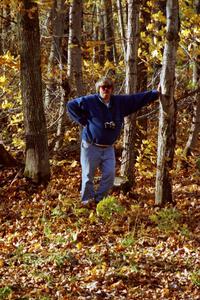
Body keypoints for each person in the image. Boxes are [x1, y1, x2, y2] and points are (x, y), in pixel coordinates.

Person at [67, 76, 159, 205]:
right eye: (103, 87)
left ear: (112, 89)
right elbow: (71, 105)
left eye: (109, 87)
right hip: (91, 146)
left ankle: (100, 201)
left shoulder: (119, 102)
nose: (106, 90)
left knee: (110, 176)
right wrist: (83, 120)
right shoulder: (89, 101)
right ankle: (87, 201)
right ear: (98, 89)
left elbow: (136, 99)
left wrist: (154, 94)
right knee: (88, 176)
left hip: (108, 148)